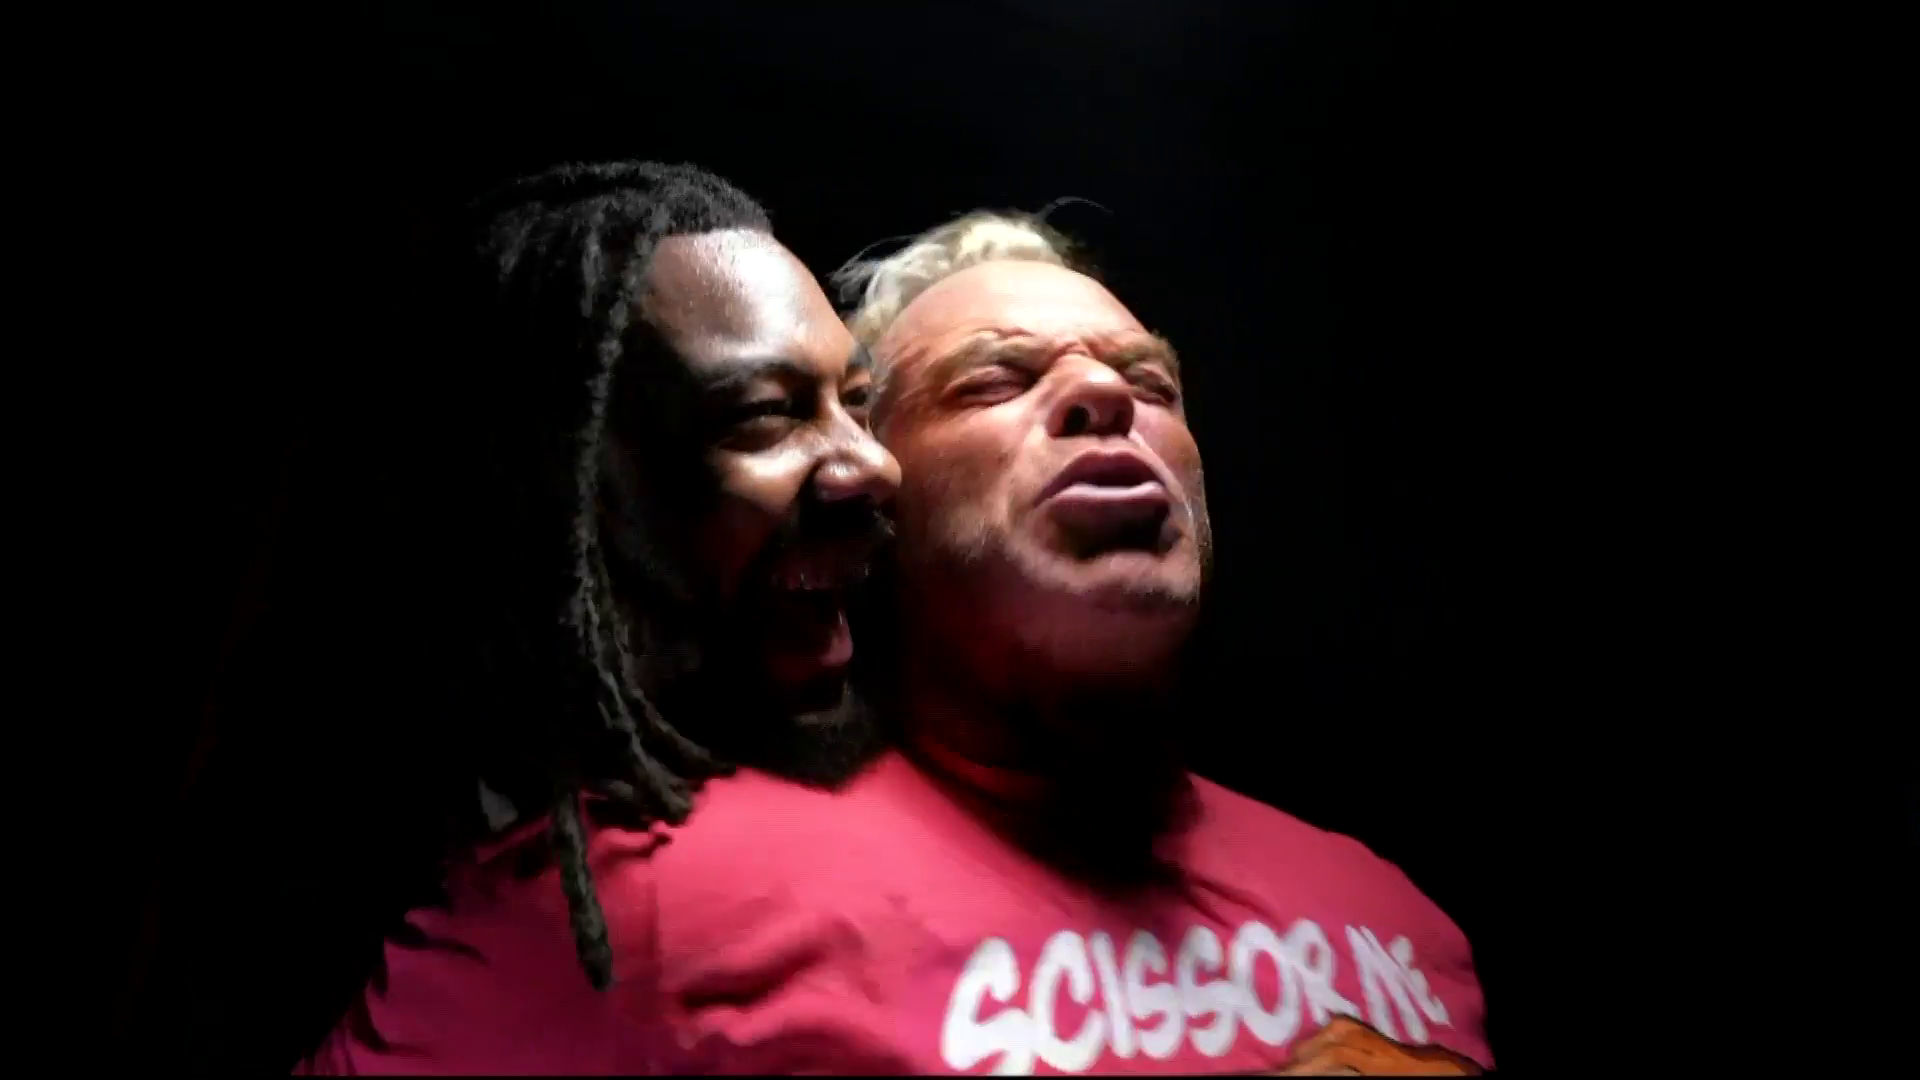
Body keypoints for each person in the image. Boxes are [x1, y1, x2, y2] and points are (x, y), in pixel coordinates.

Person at [299, 206, 1491, 1075]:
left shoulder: (1397, 918)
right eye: (995, 381)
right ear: (875, 497)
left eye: (1151, 382)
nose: (1107, 399)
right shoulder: (635, 892)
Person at [214, 158, 897, 1072]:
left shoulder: (904, 771)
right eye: (766, 415)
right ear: (557, 490)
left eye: (857, 403)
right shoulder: (340, 851)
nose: (875, 465)